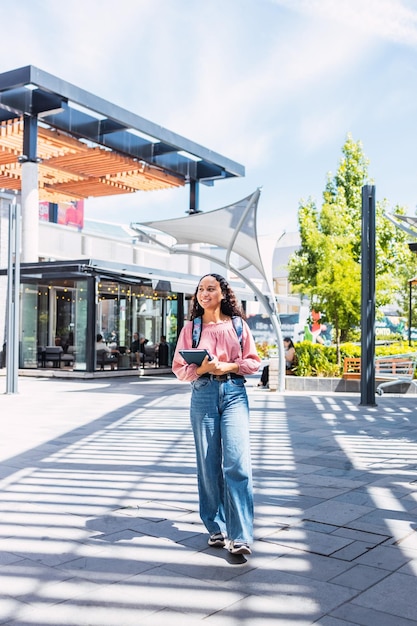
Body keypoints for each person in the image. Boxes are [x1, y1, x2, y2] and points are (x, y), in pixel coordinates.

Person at [172, 273, 261, 556]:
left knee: (236, 463)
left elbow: (252, 362)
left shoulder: (238, 325)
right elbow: (179, 368)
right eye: (200, 289)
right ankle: (215, 526)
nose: (204, 293)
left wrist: (228, 367)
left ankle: (241, 534)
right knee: (208, 464)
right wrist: (204, 369)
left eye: (210, 288)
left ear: (223, 293)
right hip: (203, 394)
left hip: (234, 393)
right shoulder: (191, 328)